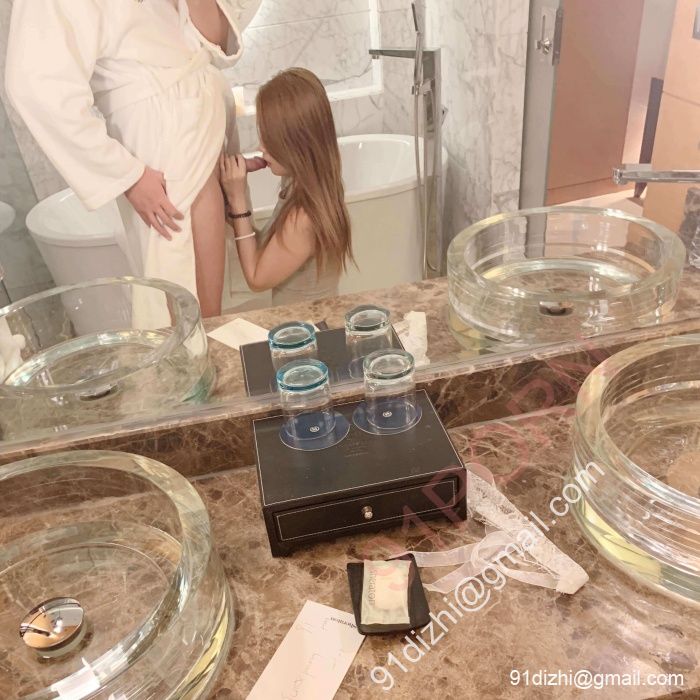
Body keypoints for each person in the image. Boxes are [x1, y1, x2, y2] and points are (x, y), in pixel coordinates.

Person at [5, 0, 264, 322]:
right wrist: (126, 175)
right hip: (161, 142)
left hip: (200, 130)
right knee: (180, 309)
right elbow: (33, 83)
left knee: (207, 314)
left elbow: (215, 39)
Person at [219, 68, 353, 305]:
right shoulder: (306, 187)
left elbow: (257, 278)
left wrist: (238, 200)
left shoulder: (305, 215)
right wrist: (230, 203)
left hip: (309, 324)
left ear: (294, 144)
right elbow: (268, 250)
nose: (261, 147)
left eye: (269, 139)